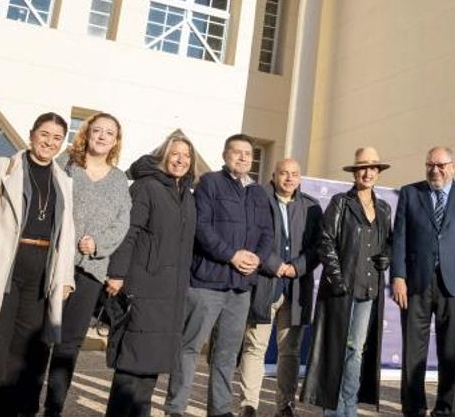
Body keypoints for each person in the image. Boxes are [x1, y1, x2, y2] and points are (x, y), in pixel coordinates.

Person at [0, 112, 76, 417]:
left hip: (41, 274)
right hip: (2, 266)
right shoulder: (2, 166)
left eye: (57, 138)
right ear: (32, 134)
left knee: (24, 354)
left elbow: (67, 231)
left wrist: (65, 277)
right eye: (44, 134)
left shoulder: (64, 180)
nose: (49, 142)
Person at [21, 113, 132, 416]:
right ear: (87, 133)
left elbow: (122, 223)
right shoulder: (66, 165)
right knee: (42, 336)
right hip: (57, 264)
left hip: (92, 272)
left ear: (115, 141)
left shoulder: (119, 179)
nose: (102, 136)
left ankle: (53, 409)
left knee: (69, 344)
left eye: (109, 133)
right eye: (97, 130)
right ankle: (26, 404)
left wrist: (98, 245)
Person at [164, 133, 273, 417]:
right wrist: (232, 255)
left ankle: (220, 410)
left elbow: (267, 233)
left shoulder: (259, 193)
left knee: (226, 353)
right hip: (206, 283)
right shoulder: (210, 183)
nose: (243, 157)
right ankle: (176, 408)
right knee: (189, 347)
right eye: (237, 152)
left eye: (248, 153)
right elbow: (201, 228)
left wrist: (257, 259)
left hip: (240, 288)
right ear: (225, 155)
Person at [104, 133, 198, 417]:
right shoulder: (146, 187)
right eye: (175, 154)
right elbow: (128, 233)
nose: (181, 160)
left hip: (170, 293)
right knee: (131, 365)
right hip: (143, 286)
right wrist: (116, 273)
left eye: (186, 156)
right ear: (163, 156)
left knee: (150, 367)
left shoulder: (186, 195)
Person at [391, 145, 455, 417]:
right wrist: (398, 276)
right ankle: (414, 408)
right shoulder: (410, 193)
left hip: (454, 284)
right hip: (416, 283)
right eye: (430, 165)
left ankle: (445, 409)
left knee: (451, 352)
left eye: (441, 165)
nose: (435, 170)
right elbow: (400, 238)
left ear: (453, 168)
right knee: (413, 351)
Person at [302, 146, 394, 417]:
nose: (367, 173)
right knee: (337, 348)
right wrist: (337, 278)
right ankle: (332, 412)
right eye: (362, 168)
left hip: (369, 289)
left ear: (378, 172)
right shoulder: (340, 202)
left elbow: (389, 241)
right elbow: (326, 241)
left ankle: (349, 408)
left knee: (356, 350)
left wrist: (387, 257)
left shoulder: (384, 208)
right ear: (355, 173)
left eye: (372, 168)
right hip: (341, 289)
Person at [238, 158, 323, 417]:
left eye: (294, 174)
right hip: (264, 284)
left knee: (290, 352)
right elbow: (249, 237)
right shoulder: (257, 199)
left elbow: (319, 246)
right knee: (255, 347)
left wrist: (297, 267)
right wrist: (275, 265)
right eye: (283, 173)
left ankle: (285, 406)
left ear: (300, 177)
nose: (289, 178)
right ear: (273, 175)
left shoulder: (311, 206)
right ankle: (248, 406)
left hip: (296, 288)